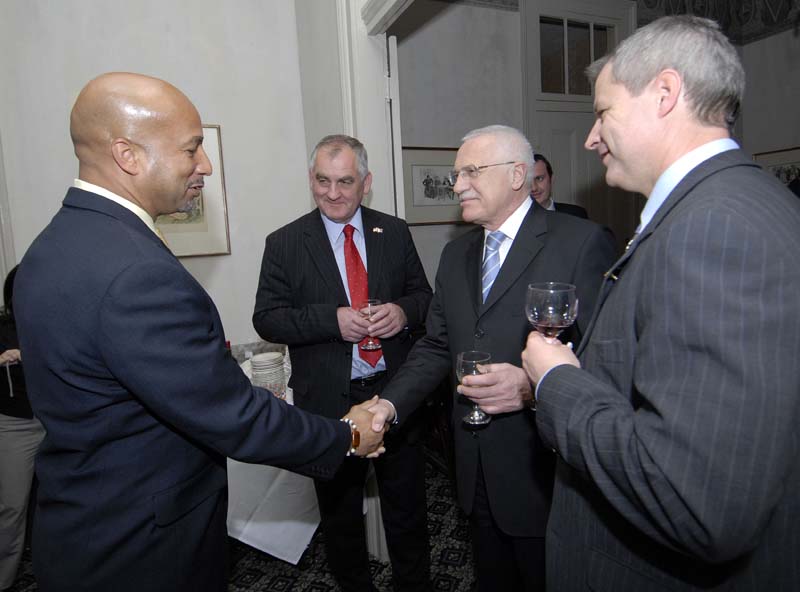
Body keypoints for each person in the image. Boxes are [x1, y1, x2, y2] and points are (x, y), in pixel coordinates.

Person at [13, 73, 385, 592]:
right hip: (143, 546)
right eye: (192, 148)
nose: (205, 165)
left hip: (84, 521)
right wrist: (347, 435)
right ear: (127, 155)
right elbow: (232, 415)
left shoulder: (50, 246)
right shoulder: (134, 270)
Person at [522, 16, 800, 591]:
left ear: (665, 93)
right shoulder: (736, 202)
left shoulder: (714, 228)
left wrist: (557, 383)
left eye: (603, 112)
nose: (591, 138)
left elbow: (698, 502)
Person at [368, 125, 617, 591]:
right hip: (474, 468)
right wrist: (388, 404)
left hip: (546, 474)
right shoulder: (455, 254)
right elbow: (437, 346)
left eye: (471, 172)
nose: (457, 185)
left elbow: (609, 359)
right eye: (456, 174)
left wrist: (532, 387)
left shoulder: (581, 241)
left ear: (517, 175)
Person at [253, 134, 434, 592]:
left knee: (408, 511)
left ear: (366, 183)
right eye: (322, 181)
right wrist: (330, 320)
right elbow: (267, 318)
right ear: (311, 179)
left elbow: (425, 298)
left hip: (395, 393)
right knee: (341, 518)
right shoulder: (285, 242)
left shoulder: (394, 231)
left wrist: (403, 312)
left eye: (345, 182)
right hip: (328, 403)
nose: (332, 193)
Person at [0, 266, 45, 592]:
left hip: (54, 420)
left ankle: (50, 571)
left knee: (54, 502)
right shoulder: (2, 326)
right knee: (12, 506)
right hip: (14, 425)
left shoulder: (50, 321)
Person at [530, 153, 588, 218]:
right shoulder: (519, 219)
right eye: (527, 181)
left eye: (539, 179)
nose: (534, 188)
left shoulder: (577, 214)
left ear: (551, 179)